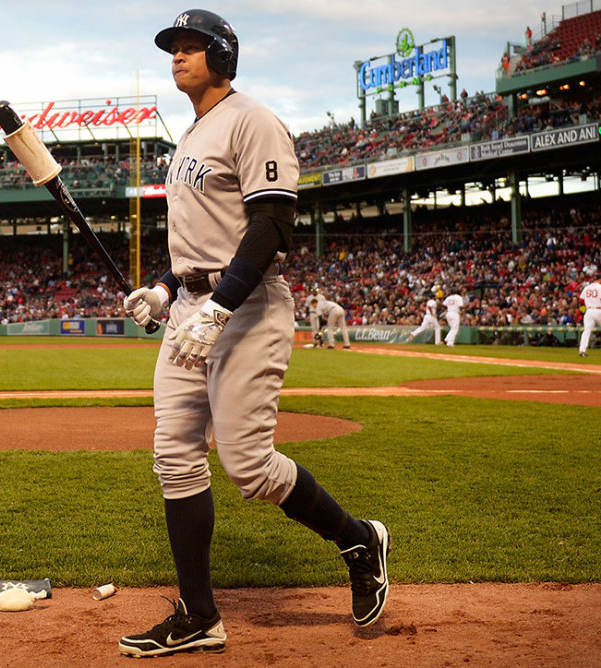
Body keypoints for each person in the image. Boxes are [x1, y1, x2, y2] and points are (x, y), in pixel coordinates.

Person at [120, 10, 390, 658]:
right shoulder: (188, 138)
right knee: (175, 457)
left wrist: (219, 308)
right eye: (173, 48)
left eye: (190, 47)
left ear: (221, 55)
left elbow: (271, 227)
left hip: (246, 309)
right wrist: (162, 288)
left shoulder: (254, 120)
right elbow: (196, 245)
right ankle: (199, 615)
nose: (177, 57)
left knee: (249, 466)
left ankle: (360, 541)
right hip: (189, 310)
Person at [579, 271, 601, 357]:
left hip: (589, 311)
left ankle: (582, 350)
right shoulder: (600, 287)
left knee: (586, 331)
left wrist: (589, 303)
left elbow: (581, 300)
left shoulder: (587, 288)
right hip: (599, 310)